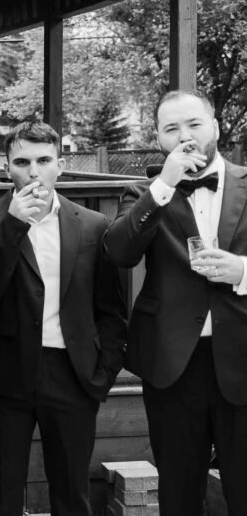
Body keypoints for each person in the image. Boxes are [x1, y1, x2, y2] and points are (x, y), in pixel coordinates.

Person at [103, 89, 247, 515]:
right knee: (179, 493)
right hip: (171, 364)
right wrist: (163, 184)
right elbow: (118, 252)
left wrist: (242, 272)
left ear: (215, 127)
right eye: (172, 129)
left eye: (194, 124)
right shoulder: (145, 192)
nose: (185, 136)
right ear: (160, 139)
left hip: (242, 357)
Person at [0, 121, 127, 516]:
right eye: (22, 161)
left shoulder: (93, 226)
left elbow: (112, 310)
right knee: (1, 487)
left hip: (73, 373)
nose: (33, 171)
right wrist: (12, 225)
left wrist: (102, 375)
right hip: (7, 375)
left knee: (70, 488)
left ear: (60, 165)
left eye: (43, 160)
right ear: (6, 168)